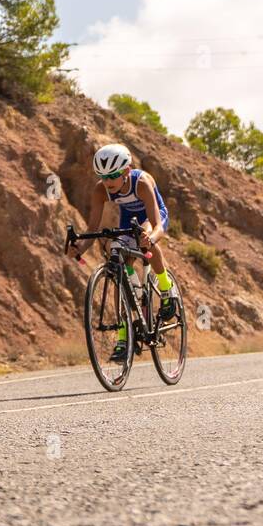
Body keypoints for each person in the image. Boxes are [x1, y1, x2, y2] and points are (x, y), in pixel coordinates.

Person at [69, 142, 178, 361]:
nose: (108, 181)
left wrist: (151, 238)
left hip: (153, 217)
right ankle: (124, 337)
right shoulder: (101, 190)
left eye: (113, 175)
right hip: (129, 219)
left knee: (146, 239)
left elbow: (157, 225)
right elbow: (92, 228)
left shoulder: (142, 182)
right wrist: (79, 247)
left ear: (126, 171)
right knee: (118, 257)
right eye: (103, 175)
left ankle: (167, 289)